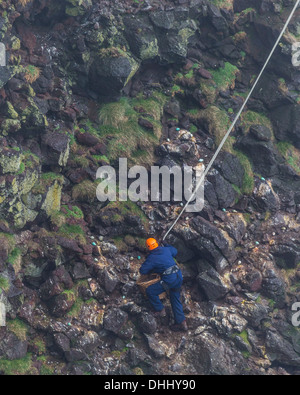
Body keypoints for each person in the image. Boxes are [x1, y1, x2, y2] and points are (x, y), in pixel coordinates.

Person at [139, 238, 187, 332]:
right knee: (175, 298)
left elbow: (142, 270)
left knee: (151, 291)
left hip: (169, 279)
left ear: (148, 247)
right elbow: (175, 251)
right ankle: (181, 322)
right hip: (178, 276)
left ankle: (160, 309)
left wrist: (152, 266)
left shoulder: (152, 257)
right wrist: (166, 244)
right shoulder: (165, 249)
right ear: (157, 243)